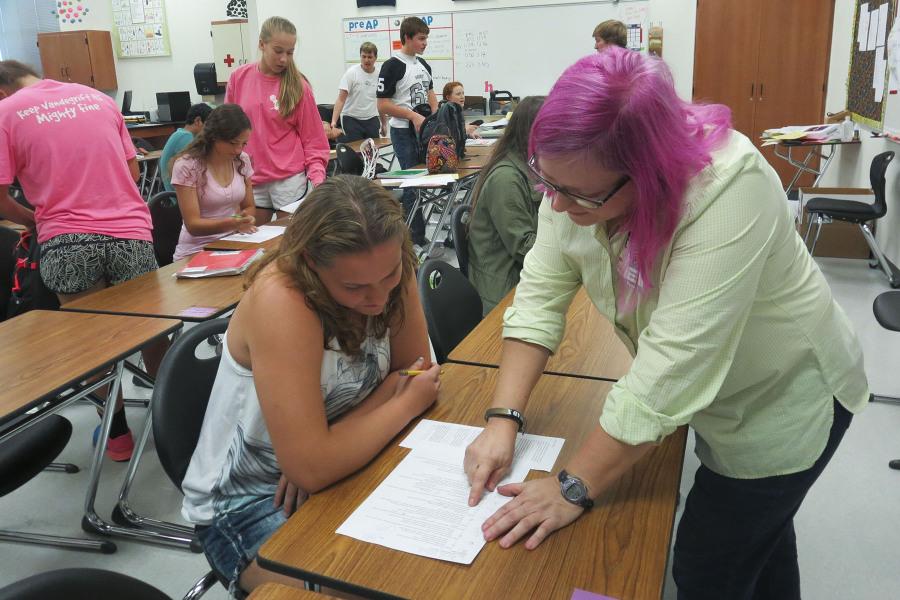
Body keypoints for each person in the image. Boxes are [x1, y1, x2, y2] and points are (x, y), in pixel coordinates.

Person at [463, 48, 868, 600]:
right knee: (763, 544)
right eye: (544, 182)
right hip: (719, 395)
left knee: (708, 566)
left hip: (782, 400)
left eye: (578, 195)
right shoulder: (574, 174)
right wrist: (502, 419)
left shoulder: (727, 185)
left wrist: (571, 487)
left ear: (648, 173)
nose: (555, 206)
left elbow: (671, 371)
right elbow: (538, 297)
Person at [181, 174, 440, 595]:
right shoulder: (284, 300)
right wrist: (403, 405)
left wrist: (324, 449)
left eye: (389, 277)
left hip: (345, 460)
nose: (378, 298)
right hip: (249, 503)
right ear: (311, 264)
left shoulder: (389, 267)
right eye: (354, 287)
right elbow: (411, 392)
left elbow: (411, 372)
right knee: (372, 587)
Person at [0, 60, 168, 461]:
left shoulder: (6, 112)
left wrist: (35, 220)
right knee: (153, 334)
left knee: (90, 343)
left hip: (67, 240)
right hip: (129, 231)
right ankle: (171, 417)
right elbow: (131, 169)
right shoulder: (97, 98)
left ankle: (118, 436)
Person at [225, 16, 330, 224]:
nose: (284, 59)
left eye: (290, 53)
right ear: (262, 44)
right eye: (278, 51)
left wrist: (318, 179)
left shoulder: (299, 86)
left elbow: (314, 140)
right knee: (253, 248)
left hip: (289, 180)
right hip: (251, 178)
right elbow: (226, 130)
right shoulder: (239, 78)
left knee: (289, 245)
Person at [466, 96, 544, 315]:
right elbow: (524, 247)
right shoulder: (507, 179)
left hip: (523, 279)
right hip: (505, 293)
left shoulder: (531, 167)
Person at [377, 16, 438, 247]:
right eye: (421, 39)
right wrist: (412, 115)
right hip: (403, 132)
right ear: (407, 38)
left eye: (426, 39)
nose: (425, 43)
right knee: (412, 185)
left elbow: (431, 94)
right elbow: (382, 105)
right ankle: (415, 239)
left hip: (423, 133)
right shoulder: (392, 65)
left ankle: (418, 233)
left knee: (425, 183)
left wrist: (434, 115)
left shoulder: (424, 65)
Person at [170, 104, 257, 260]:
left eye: (244, 144)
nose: (238, 150)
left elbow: (249, 206)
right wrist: (234, 223)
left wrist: (244, 219)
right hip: (196, 250)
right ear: (214, 137)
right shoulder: (188, 165)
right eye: (233, 143)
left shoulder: (242, 160)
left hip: (232, 243)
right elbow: (193, 225)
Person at [332, 42, 387, 143]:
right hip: (351, 119)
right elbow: (340, 100)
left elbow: (381, 101)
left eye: (370, 57)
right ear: (360, 57)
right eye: (364, 56)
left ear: (375, 58)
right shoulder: (352, 73)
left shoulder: (380, 75)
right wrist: (334, 122)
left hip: (371, 119)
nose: (366, 60)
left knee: (372, 153)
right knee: (355, 154)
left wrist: (384, 123)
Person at [159, 103, 213, 192]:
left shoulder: (180, 133)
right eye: (208, 125)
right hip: (176, 195)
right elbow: (197, 165)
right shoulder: (185, 136)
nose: (209, 130)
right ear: (198, 121)